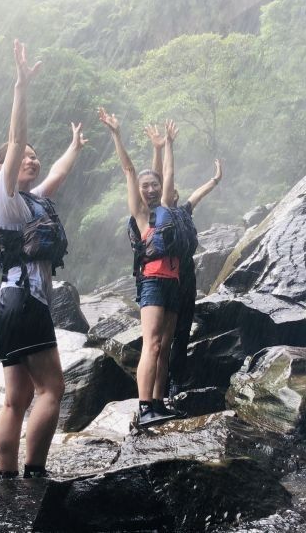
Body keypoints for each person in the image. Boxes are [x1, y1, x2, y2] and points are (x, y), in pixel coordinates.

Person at [0, 40, 87, 478]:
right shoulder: (4, 198)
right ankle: (35, 473)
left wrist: (75, 145)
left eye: (33, 157)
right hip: (25, 304)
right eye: (23, 157)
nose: (30, 158)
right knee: (53, 387)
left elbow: (58, 174)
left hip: (7, 305)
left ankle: (6, 477)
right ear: (4, 167)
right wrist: (21, 88)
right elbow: (16, 138)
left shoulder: (30, 202)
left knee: (16, 397)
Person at [98, 108, 180, 427]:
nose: (149, 189)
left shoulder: (166, 208)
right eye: (145, 187)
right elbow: (131, 171)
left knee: (165, 346)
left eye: (153, 186)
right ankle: (145, 406)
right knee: (153, 342)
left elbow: (165, 177)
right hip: (153, 282)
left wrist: (166, 146)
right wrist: (117, 134)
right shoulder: (141, 214)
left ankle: (158, 402)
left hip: (172, 281)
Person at [145, 125, 222, 400]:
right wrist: (163, 146)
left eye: (174, 191)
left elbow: (197, 195)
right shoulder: (160, 212)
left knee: (183, 327)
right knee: (165, 335)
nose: (171, 192)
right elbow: (160, 178)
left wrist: (215, 180)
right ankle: (160, 388)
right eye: (169, 190)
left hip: (185, 274)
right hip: (165, 274)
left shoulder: (183, 211)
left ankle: (174, 380)